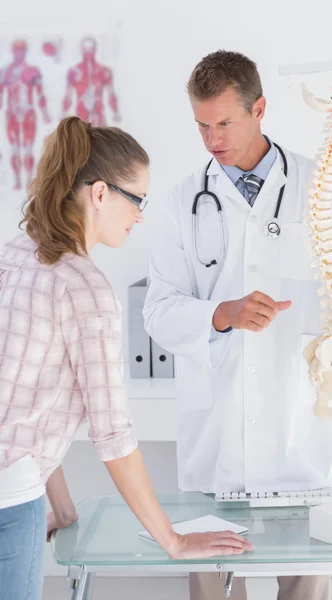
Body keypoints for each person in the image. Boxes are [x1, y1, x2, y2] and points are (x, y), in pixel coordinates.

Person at [143, 51, 332, 600]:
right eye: (202, 125)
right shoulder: (185, 202)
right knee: (209, 585)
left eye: (224, 122)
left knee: (305, 583)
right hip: (218, 430)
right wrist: (219, 315)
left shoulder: (326, 188)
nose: (212, 139)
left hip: (303, 427)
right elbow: (158, 310)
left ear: (261, 108)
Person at [0, 116, 252, 600]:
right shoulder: (85, 288)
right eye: (137, 200)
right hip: (11, 504)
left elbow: (27, 400)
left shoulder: (18, 253)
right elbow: (112, 435)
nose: (140, 216)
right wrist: (173, 541)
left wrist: (64, 508)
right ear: (99, 194)